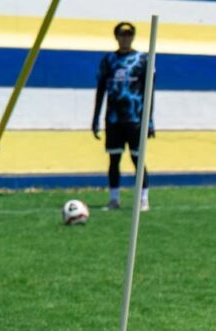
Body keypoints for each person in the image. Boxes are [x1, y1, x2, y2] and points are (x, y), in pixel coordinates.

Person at [92, 21, 153, 212]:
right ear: (116, 37)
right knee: (114, 159)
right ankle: (114, 199)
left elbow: (150, 92)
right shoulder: (108, 60)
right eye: (121, 34)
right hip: (113, 119)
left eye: (128, 35)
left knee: (137, 159)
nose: (125, 38)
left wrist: (149, 120)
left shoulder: (142, 60)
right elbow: (101, 89)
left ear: (133, 37)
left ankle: (143, 199)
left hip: (135, 119)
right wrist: (95, 118)